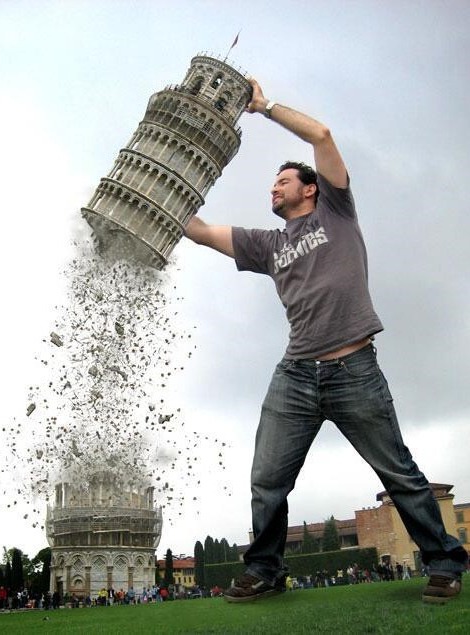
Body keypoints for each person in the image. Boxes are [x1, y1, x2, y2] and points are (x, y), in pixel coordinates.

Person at [184, 77, 468, 605]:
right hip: (296, 374)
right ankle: (265, 569)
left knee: (399, 473)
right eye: (272, 184)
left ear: (309, 188)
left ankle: (445, 562)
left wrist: (263, 106)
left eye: (282, 181)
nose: (273, 188)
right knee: (267, 478)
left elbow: (321, 133)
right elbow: (200, 231)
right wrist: (167, 189)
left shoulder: (336, 210)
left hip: (355, 367)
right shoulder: (266, 245)